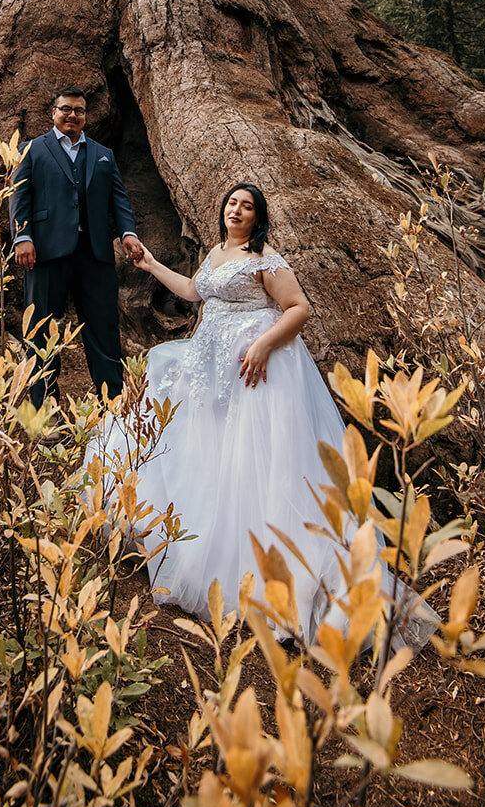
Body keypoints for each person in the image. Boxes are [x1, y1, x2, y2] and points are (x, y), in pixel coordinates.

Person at [107, 182, 379, 640]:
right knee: (192, 430)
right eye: (231, 203)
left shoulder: (265, 260)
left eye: (246, 206)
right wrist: (151, 264)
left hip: (253, 370)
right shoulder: (215, 252)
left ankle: (273, 576)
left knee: (254, 461)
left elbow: (299, 308)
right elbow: (194, 292)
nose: (236, 210)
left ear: (258, 216)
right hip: (208, 366)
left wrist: (263, 345)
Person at [11, 87, 143, 406]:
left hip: (94, 254)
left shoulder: (103, 154)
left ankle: (112, 406)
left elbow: (119, 199)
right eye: (66, 109)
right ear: (53, 113)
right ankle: (45, 410)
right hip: (44, 252)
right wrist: (22, 236)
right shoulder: (31, 149)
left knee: (103, 330)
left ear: (85, 116)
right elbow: (19, 195)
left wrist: (128, 233)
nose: (72, 115)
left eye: (79, 111)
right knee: (41, 331)